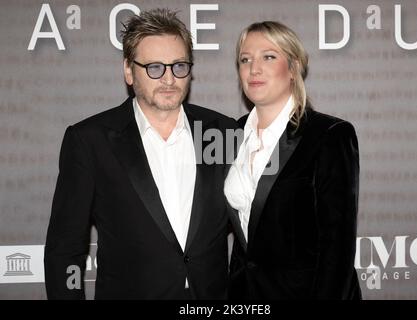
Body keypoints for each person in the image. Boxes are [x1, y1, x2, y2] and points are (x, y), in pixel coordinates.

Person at [44, 9, 237, 300]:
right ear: (128, 71)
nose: (169, 79)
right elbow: (64, 249)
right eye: (155, 68)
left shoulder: (223, 132)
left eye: (179, 66)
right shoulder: (90, 140)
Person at [224, 21, 361, 299]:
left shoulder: (328, 136)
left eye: (269, 57)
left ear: (294, 67)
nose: (254, 69)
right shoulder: (231, 134)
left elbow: (337, 249)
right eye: (245, 59)